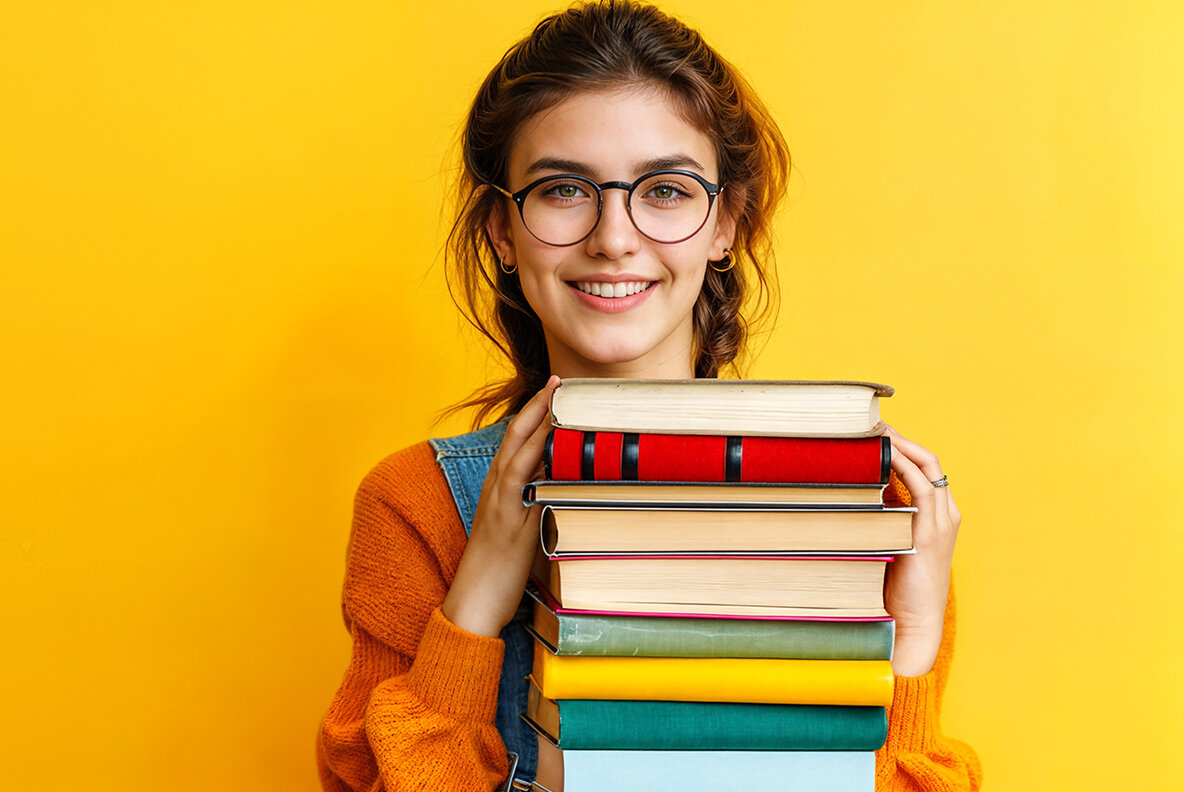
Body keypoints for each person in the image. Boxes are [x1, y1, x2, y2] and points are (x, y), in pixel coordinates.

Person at [317, 2, 981, 790]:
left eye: (664, 190)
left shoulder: (871, 507)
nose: (614, 237)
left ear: (725, 223)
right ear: (502, 228)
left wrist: (908, 635)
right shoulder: (417, 506)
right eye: (564, 189)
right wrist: (474, 609)